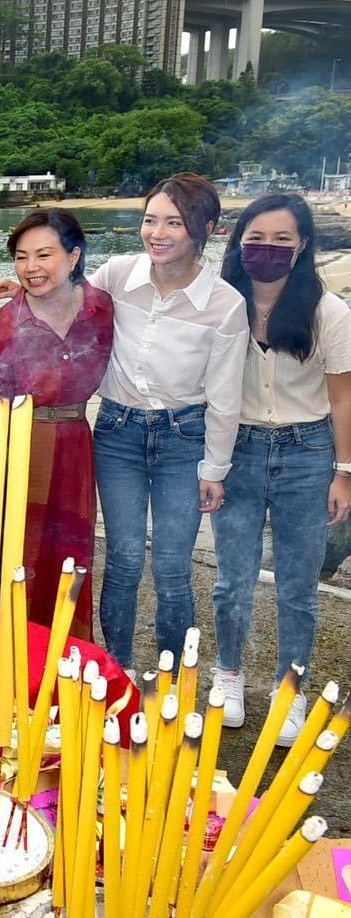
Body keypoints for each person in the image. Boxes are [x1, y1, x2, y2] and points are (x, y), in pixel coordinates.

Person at [90, 173, 248, 671]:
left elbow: (225, 398)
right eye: (150, 220)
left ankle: (172, 678)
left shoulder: (225, 305)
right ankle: (117, 672)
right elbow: (68, 306)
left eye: (174, 223)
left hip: (186, 438)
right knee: (123, 559)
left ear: (206, 229)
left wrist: (214, 470)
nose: (157, 233)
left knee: (173, 567)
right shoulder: (117, 274)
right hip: (117, 431)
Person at [210, 193, 351, 743]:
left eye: (282, 240)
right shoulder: (220, 304)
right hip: (237, 450)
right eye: (256, 238)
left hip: (308, 452)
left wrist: (344, 471)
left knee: (298, 585)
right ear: (238, 241)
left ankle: (291, 689)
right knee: (231, 580)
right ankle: (229, 677)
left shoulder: (328, 311)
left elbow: (342, 398)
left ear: (303, 247)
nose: (267, 249)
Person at [0, 209, 113, 641]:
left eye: (44, 255)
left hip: (77, 443)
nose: (30, 268)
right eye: (21, 258)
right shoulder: (9, 320)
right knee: (21, 554)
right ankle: (19, 652)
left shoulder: (101, 307)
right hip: (22, 443)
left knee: (73, 553)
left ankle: (72, 653)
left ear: (74, 257)